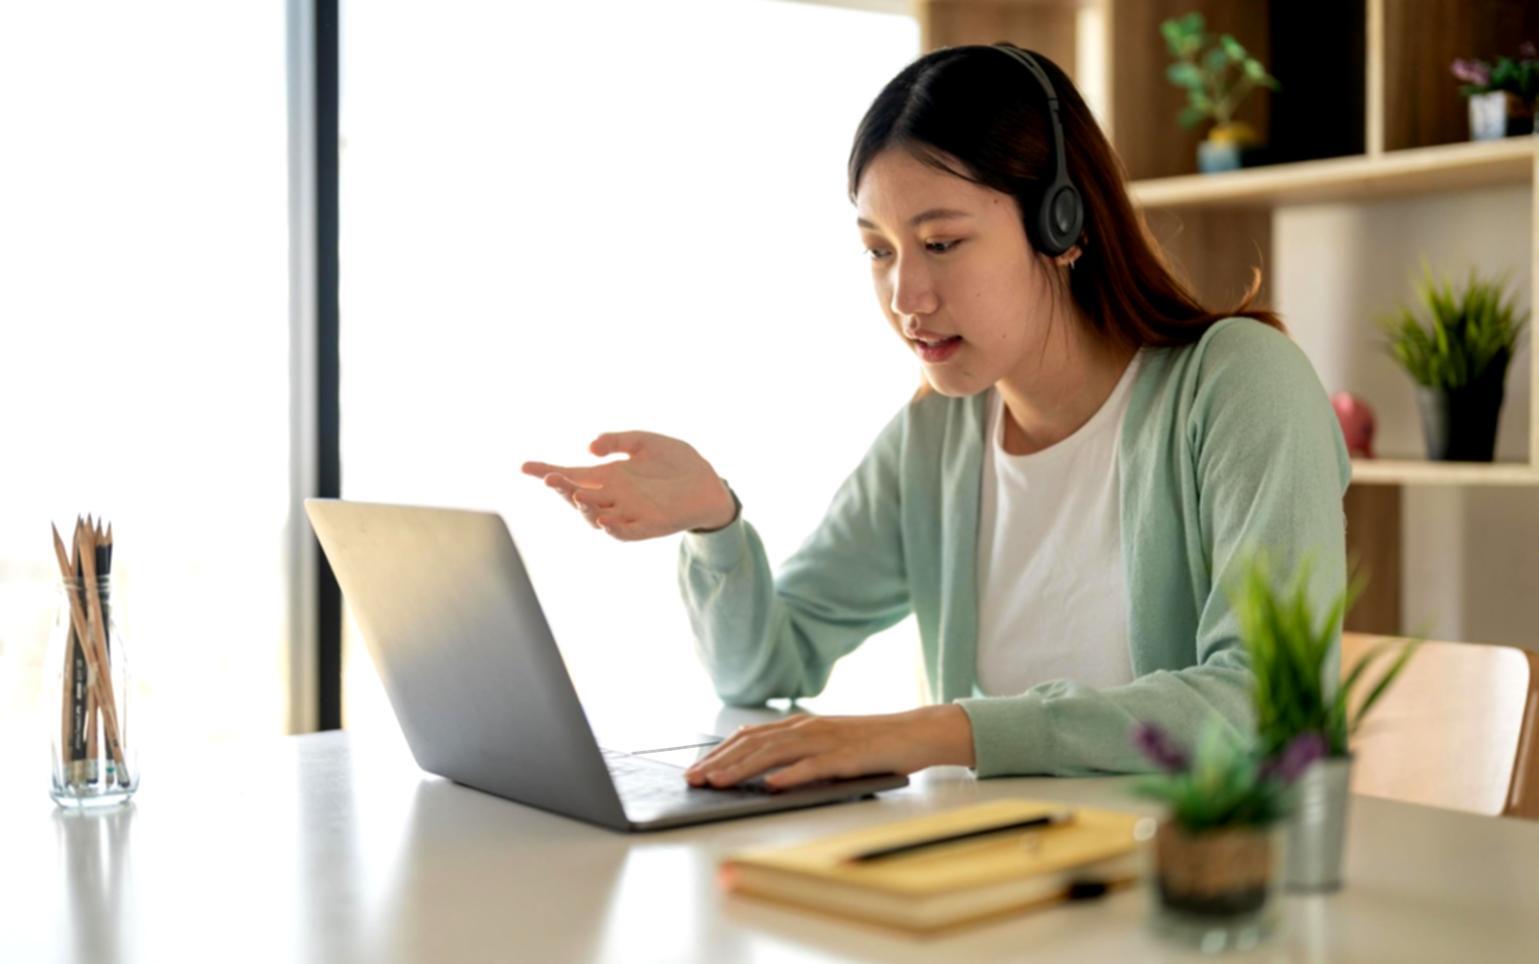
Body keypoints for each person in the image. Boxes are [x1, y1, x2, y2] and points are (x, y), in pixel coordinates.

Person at [520, 43, 1348, 792]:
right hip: (1003, 879)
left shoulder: (1237, 385)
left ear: (1063, 224)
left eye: (941, 243)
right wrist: (714, 526)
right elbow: (763, 664)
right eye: (879, 250)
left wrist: (938, 732)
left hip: (1204, 897)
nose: (905, 299)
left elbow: (1265, 703)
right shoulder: (937, 438)